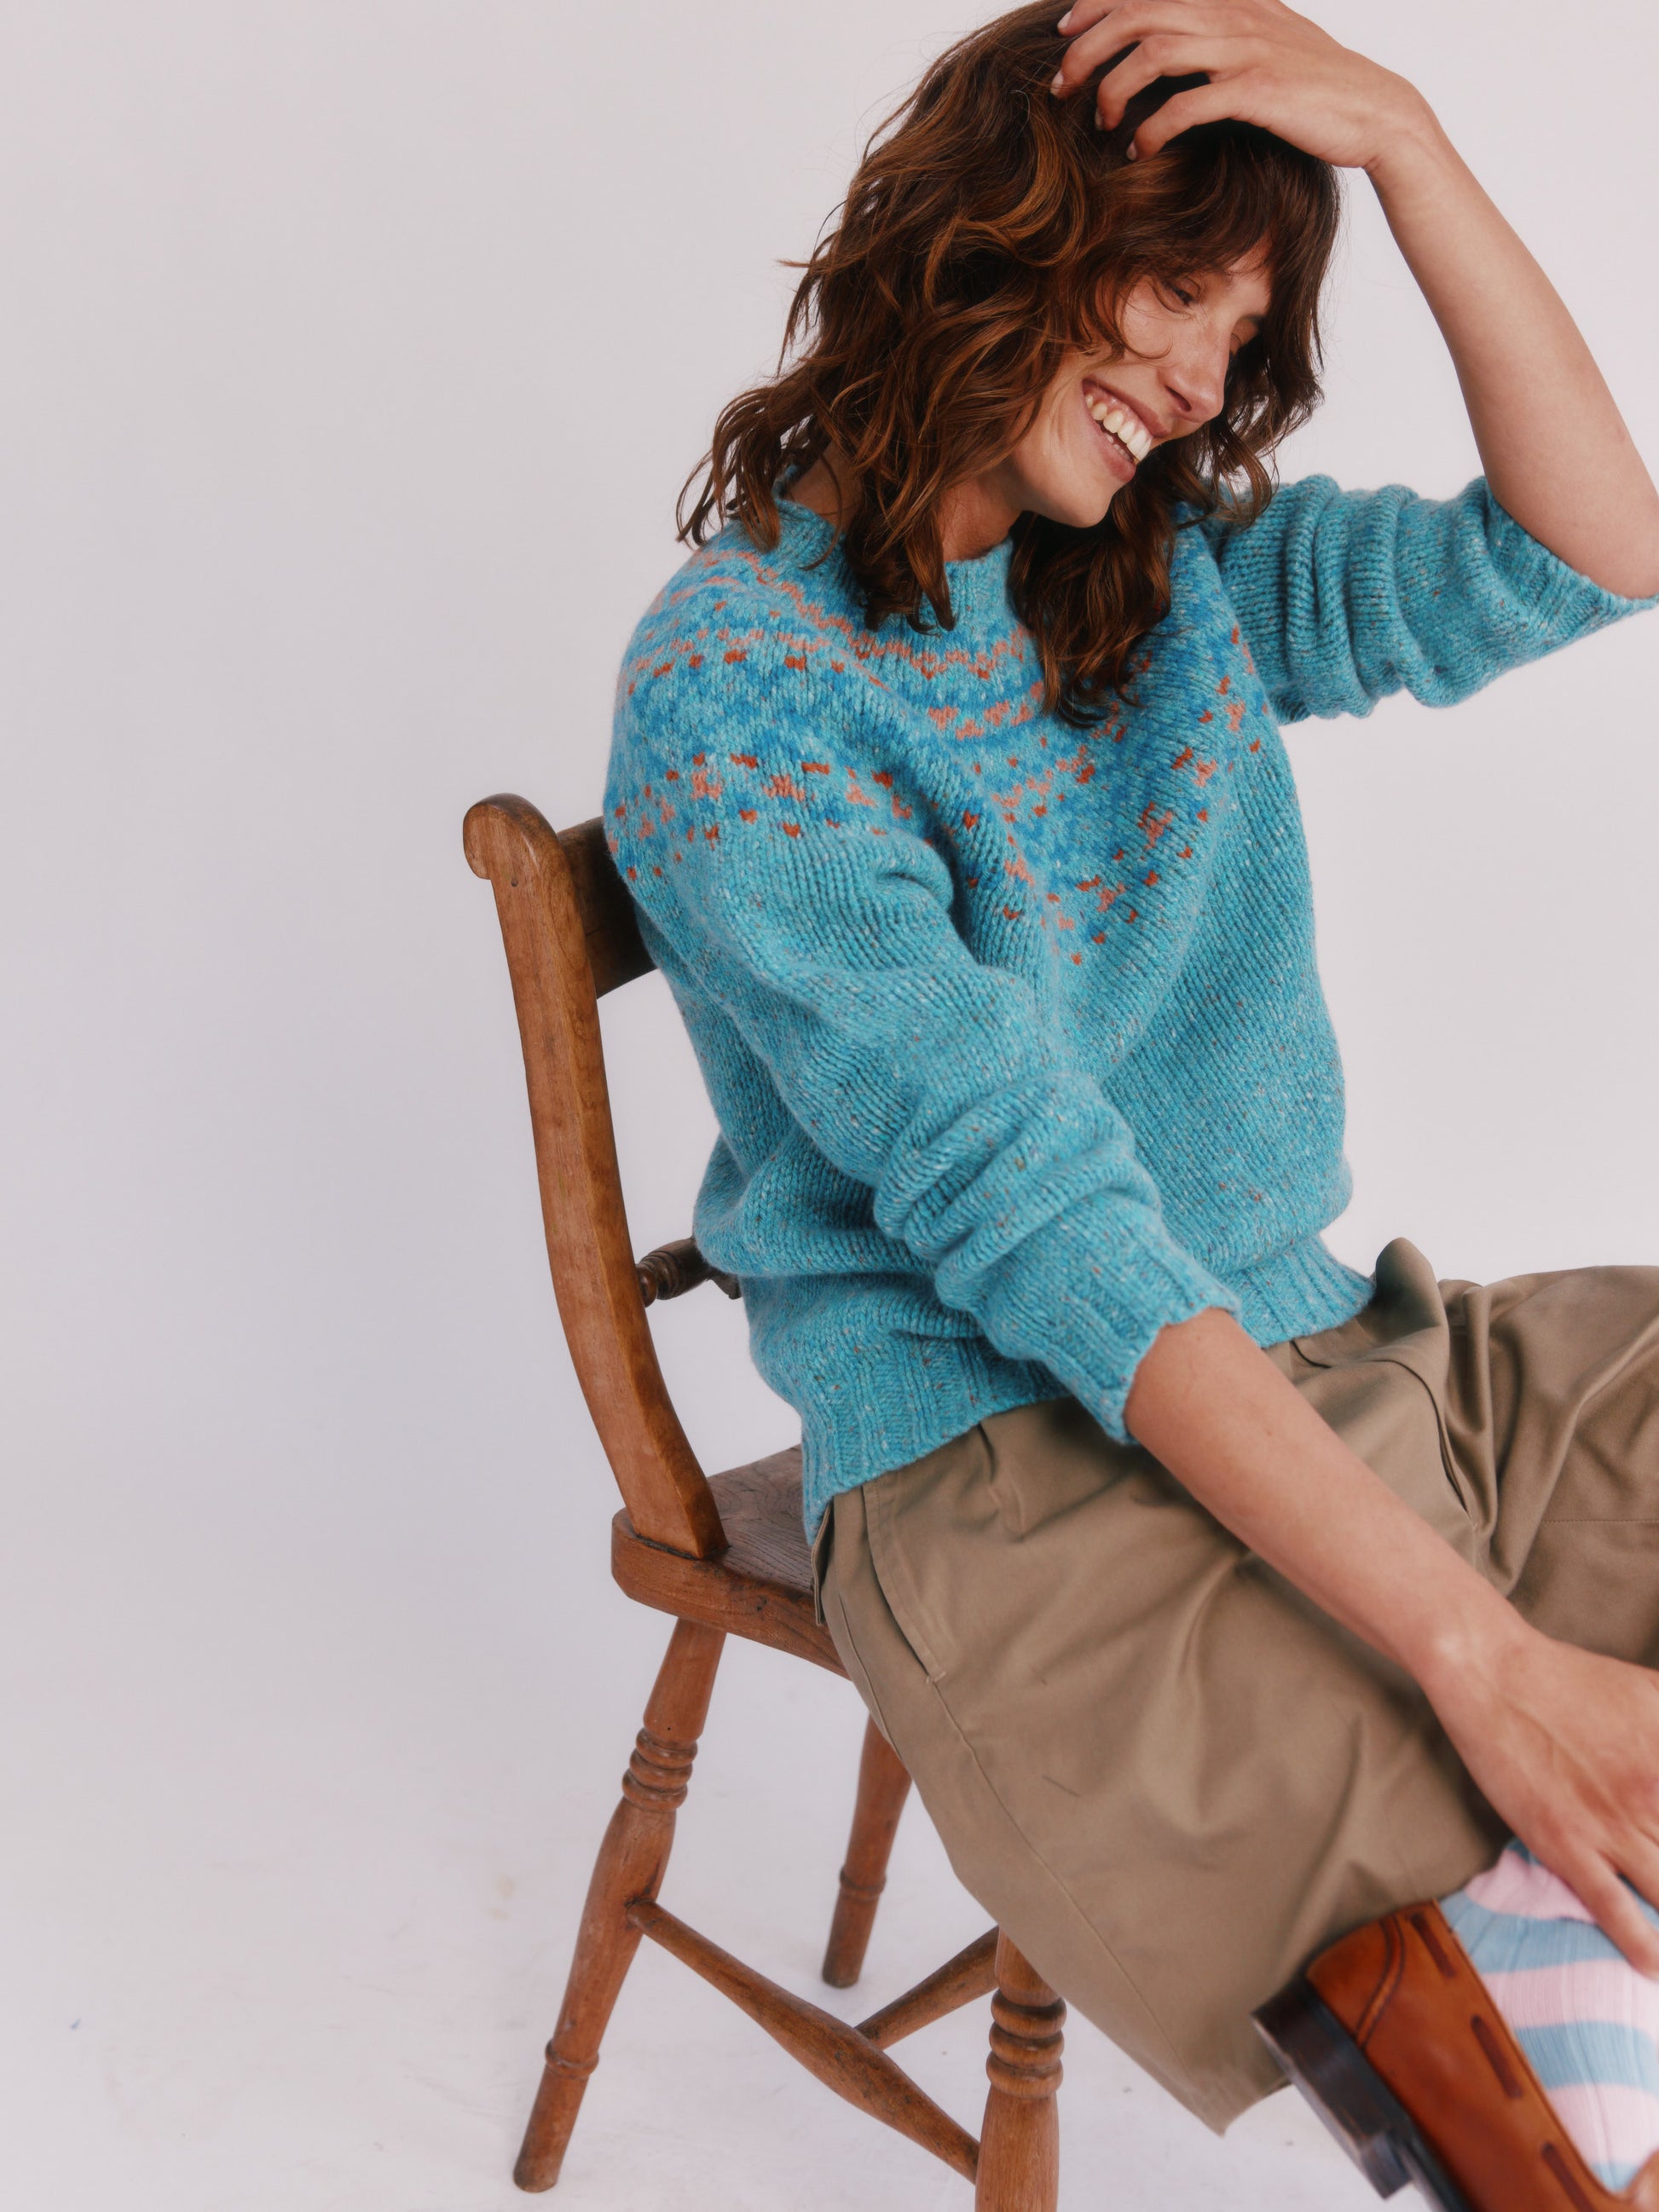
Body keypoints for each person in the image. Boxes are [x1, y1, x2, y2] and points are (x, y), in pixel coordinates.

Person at [604, 0, 1659, 2197]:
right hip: (1021, 1476)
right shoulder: (743, 687)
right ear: (1000, 231)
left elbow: (1589, 552)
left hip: (1343, 1355)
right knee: (1538, 2029)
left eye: (1244, 322)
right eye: (1177, 287)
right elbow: (1050, 1229)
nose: (1201, 370)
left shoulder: (1157, 575)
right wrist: (1486, 1662)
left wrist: (1412, 143)